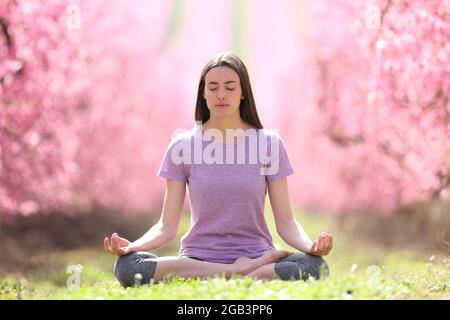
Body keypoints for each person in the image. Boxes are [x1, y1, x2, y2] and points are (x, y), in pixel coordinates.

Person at [104, 52, 333, 288]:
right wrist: (133, 247)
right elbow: (166, 225)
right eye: (212, 87)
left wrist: (309, 247)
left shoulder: (269, 144)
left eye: (230, 87)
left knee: (315, 266)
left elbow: (286, 222)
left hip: (255, 255)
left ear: (243, 92)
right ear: (203, 93)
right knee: (128, 266)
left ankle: (230, 273)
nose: (221, 94)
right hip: (197, 258)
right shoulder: (183, 146)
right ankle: (239, 272)